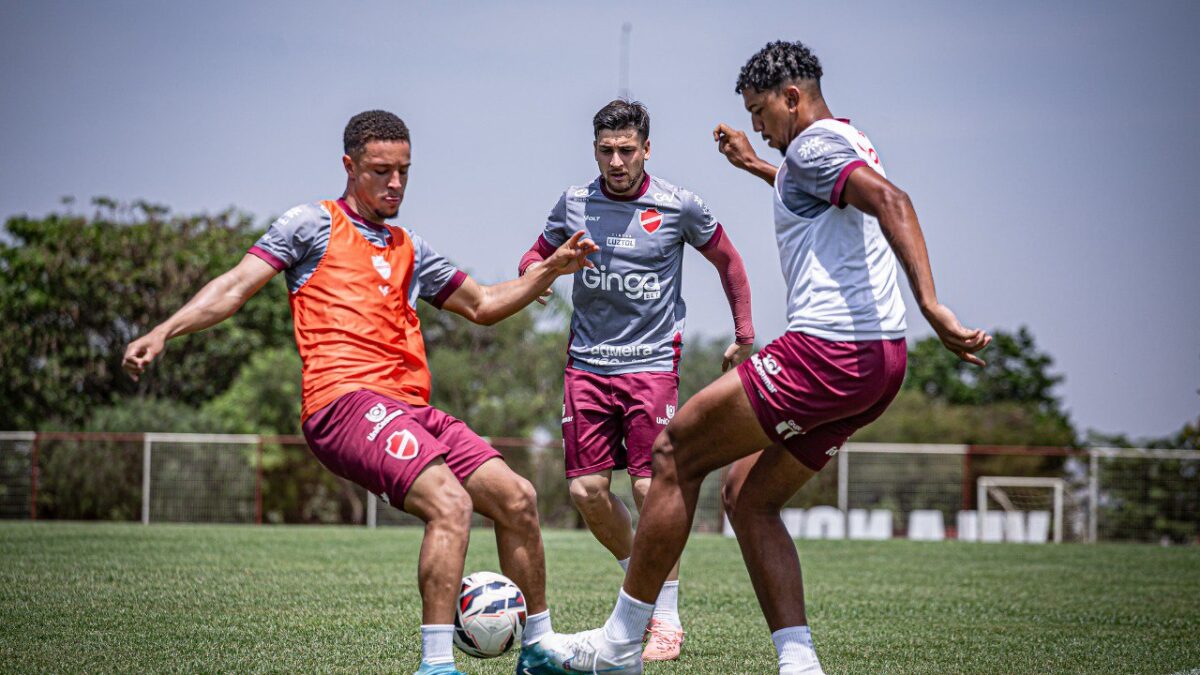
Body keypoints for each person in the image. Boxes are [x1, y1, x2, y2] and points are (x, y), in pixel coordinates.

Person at [537, 40, 991, 675]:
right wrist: (754, 165)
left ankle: (617, 647)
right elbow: (812, 188)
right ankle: (798, 663)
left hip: (828, 351)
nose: (757, 126)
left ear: (793, 98)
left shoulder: (813, 144)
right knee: (748, 496)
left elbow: (894, 202)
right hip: (880, 364)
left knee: (673, 454)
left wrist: (934, 305)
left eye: (760, 113)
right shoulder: (845, 141)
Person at [121, 110, 599, 675]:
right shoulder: (311, 224)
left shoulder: (410, 247)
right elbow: (235, 285)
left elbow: (485, 305)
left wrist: (551, 270)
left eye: (404, 171)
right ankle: (437, 666)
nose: (395, 183)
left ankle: (540, 650)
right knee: (451, 504)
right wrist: (164, 329)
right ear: (350, 167)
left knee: (517, 497)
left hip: (410, 409)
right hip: (342, 402)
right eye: (381, 171)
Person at [517, 99, 755, 662]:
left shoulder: (677, 205)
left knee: (651, 487)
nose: (617, 161)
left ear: (646, 149)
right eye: (606, 151)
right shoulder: (575, 202)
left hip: (651, 362)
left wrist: (744, 333)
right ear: (594, 150)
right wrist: (536, 273)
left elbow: (729, 261)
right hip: (587, 364)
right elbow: (535, 252)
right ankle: (641, 588)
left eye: (627, 150)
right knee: (585, 492)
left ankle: (665, 618)